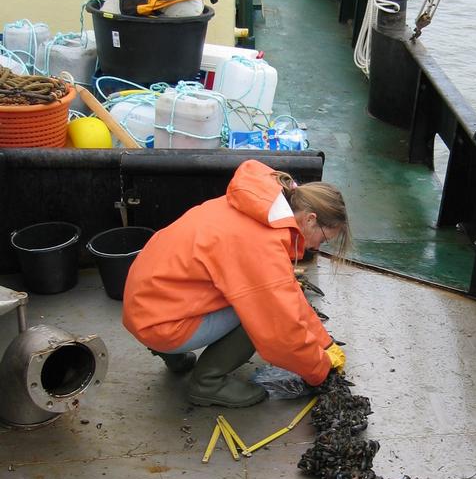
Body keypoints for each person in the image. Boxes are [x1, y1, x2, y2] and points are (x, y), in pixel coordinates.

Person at [122, 158, 350, 408]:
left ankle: (173, 356)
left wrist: (323, 341)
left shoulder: (258, 205)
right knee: (260, 314)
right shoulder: (262, 243)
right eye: (324, 239)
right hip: (160, 323)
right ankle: (207, 383)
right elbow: (279, 329)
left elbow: (287, 290)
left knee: (256, 298)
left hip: (142, 303)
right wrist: (319, 369)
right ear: (310, 219)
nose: (317, 247)